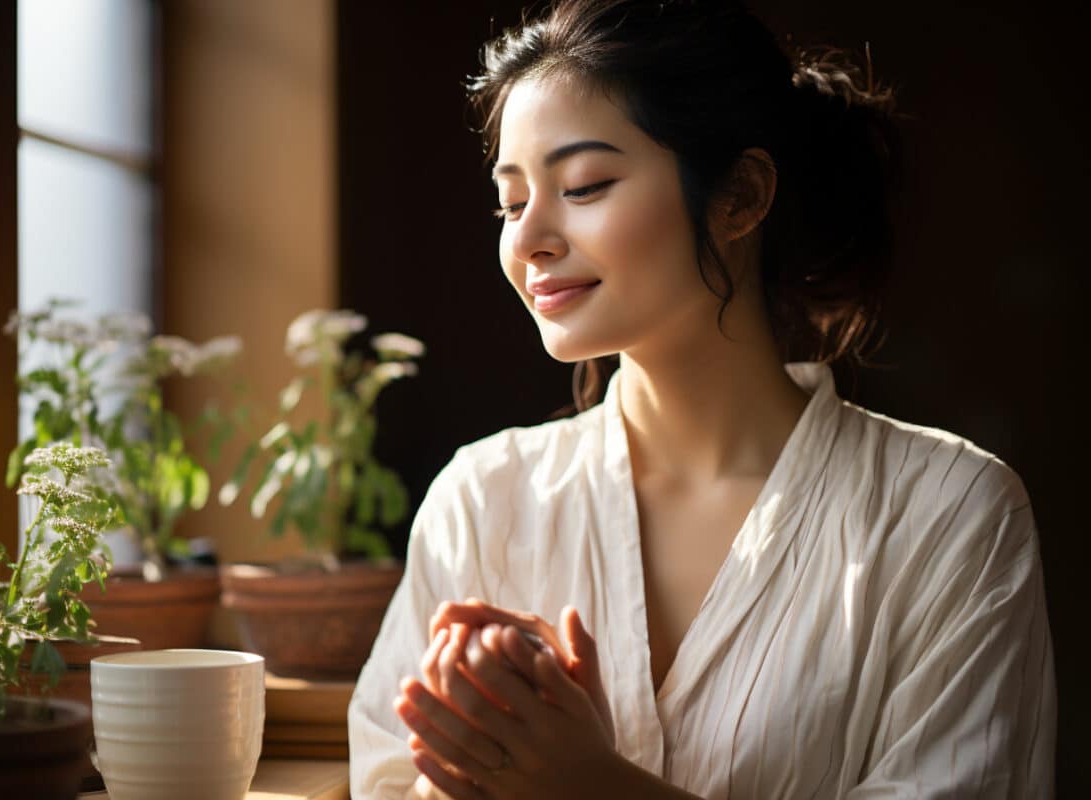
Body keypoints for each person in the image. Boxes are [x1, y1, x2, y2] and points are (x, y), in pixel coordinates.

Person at [347, 0, 1057, 797]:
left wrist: (584, 783)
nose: (529, 238)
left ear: (740, 197)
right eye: (510, 202)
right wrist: (471, 760)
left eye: (583, 185)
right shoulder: (482, 501)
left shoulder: (950, 514)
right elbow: (386, 777)